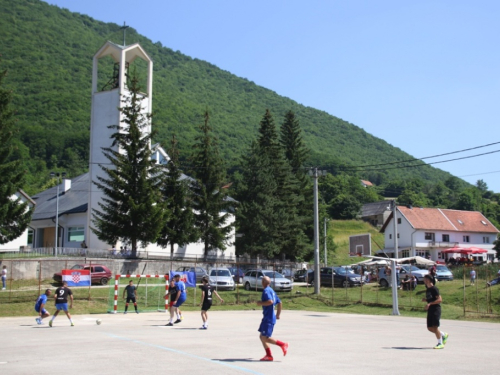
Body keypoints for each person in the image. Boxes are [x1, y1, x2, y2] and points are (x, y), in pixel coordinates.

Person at [256, 276, 288, 361]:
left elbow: (270, 302)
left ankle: (283, 344)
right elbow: (279, 302)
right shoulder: (271, 291)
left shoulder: (266, 291)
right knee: (262, 336)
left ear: (263, 283)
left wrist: (260, 303)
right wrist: (278, 314)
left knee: (264, 337)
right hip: (268, 317)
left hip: (268, 318)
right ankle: (269, 355)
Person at [421, 274, 448, 349]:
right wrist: (426, 300)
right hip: (430, 310)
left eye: (425, 279)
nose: (424, 280)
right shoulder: (428, 289)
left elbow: (439, 300)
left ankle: (440, 343)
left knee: (435, 327)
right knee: (429, 328)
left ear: (429, 280)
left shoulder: (434, 289)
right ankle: (443, 334)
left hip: (436, 309)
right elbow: (432, 299)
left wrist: (429, 304)